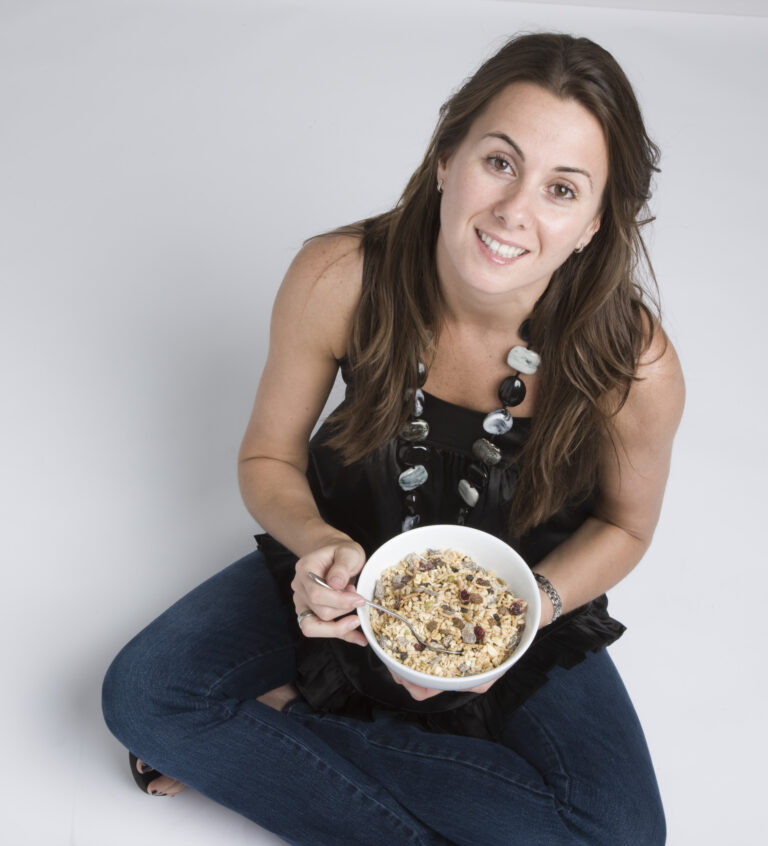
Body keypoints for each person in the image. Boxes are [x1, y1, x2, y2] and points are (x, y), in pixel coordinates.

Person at [102, 32, 684, 845]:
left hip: (513, 601)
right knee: (146, 696)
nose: (515, 211)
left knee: (619, 835)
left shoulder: (636, 363)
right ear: (447, 156)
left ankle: (279, 731)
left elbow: (626, 526)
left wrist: (532, 610)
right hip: (349, 556)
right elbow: (268, 455)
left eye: (562, 189)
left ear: (592, 223)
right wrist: (314, 547)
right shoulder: (337, 276)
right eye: (501, 162)